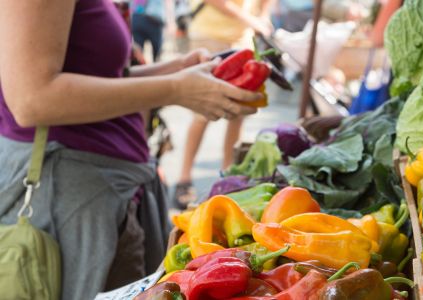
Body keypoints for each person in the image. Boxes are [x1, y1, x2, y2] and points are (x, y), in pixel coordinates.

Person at [0, 0, 261, 299]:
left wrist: (175, 71)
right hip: (68, 204)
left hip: (105, 194)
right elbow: (32, 100)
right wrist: (176, 88)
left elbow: (94, 78)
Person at [173, 0, 274, 207]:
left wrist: (263, 16)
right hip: (210, 35)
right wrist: (253, 21)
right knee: (202, 111)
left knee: (238, 112)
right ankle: (184, 179)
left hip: (243, 39)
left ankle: (227, 177)